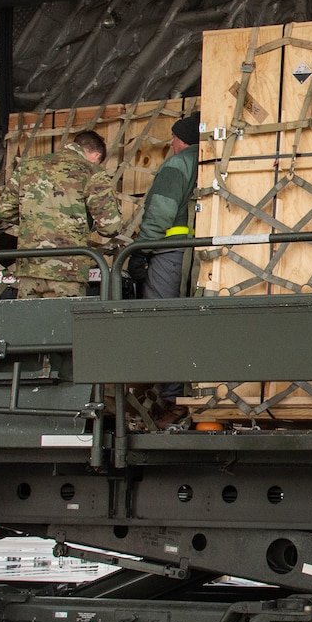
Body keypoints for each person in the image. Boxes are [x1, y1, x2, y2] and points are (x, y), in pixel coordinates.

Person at [0, 129, 123, 297]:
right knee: (64, 322)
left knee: (29, 322)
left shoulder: (28, 165)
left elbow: (3, 211)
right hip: (68, 271)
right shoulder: (92, 171)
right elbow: (110, 227)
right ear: (96, 155)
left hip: (30, 267)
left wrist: (34, 219)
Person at [134, 112, 200, 425]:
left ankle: (173, 400)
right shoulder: (213, 160)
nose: (172, 143)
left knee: (163, 321)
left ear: (181, 139)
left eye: (174, 137)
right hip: (206, 258)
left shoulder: (179, 164)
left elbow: (160, 213)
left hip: (172, 254)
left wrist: (140, 251)